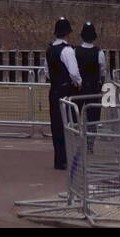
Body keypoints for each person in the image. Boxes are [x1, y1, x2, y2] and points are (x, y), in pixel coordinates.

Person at [46, 17, 81, 170]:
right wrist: (78, 83)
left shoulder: (49, 49)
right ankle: (68, 158)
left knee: (56, 125)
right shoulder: (67, 50)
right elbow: (74, 72)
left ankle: (58, 159)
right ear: (68, 34)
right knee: (68, 124)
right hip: (66, 90)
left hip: (54, 89)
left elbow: (47, 72)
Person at [76, 22, 106, 142]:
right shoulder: (99, 52)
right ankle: (90, 142)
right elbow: (103, 71)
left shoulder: (75, 51)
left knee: (76, 113)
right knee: (93, 116)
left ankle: (77, 138)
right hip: (93, 88)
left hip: (79, 88)